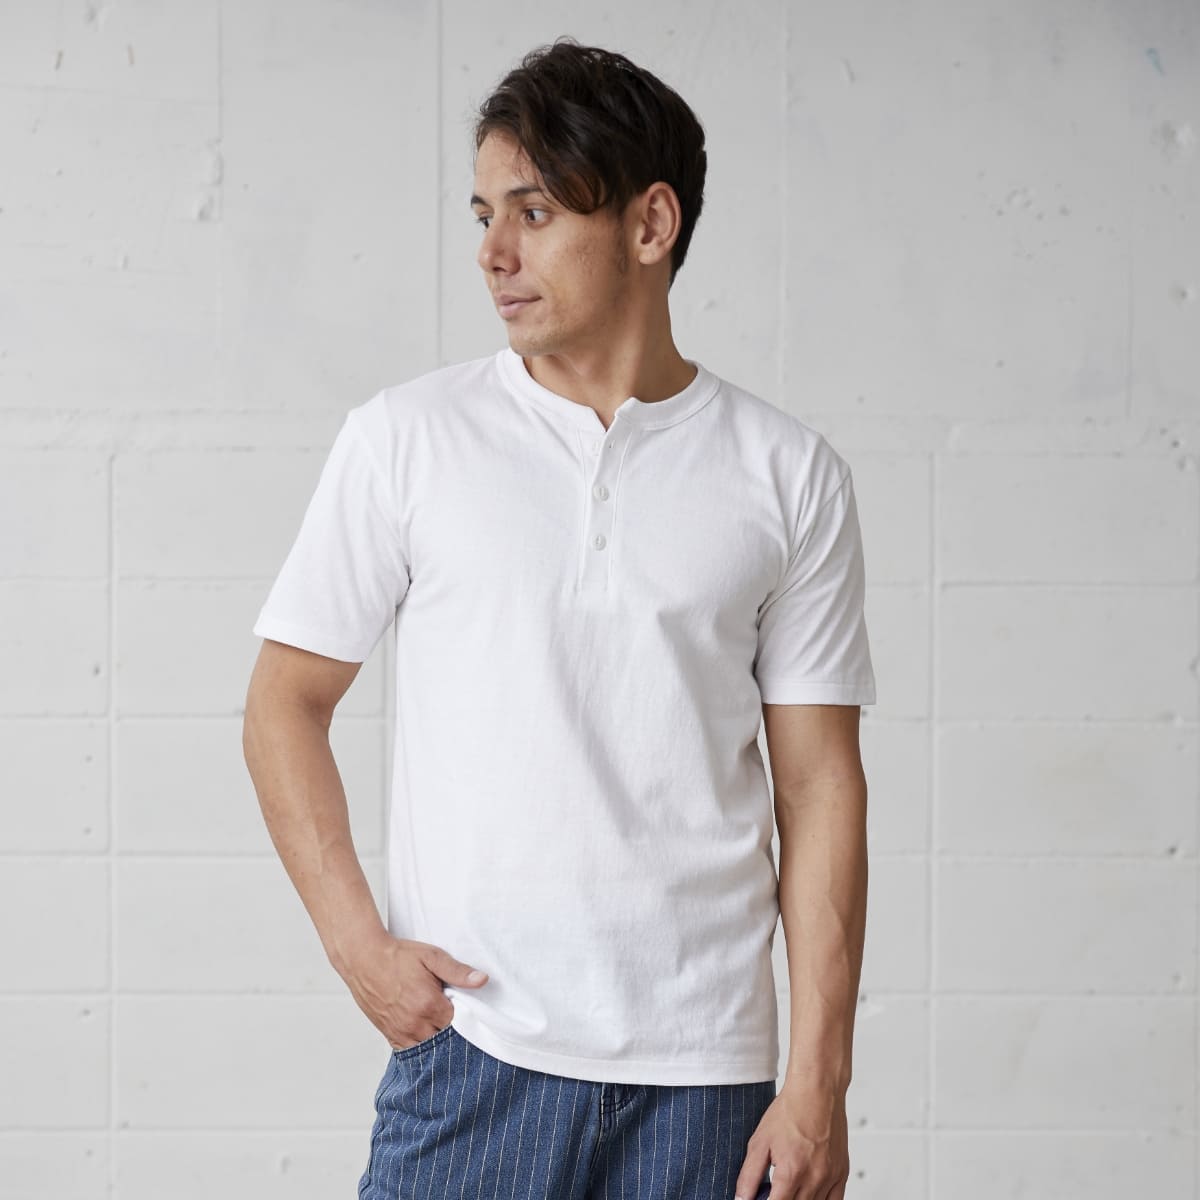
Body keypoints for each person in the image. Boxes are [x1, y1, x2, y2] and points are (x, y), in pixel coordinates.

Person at [242, 36, 876, 1200]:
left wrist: (817, 1084)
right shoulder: (405, 441)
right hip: (474, 1055)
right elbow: (285, 701)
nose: (494, 253)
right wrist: (357, 947)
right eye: (485, 214)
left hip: (710, 1085)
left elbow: (820, 785)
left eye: (533, 212)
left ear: (650, 224)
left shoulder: (788, 475)